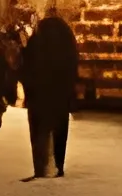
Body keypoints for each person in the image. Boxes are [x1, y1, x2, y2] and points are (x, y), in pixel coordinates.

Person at [21, 12, 80, 178]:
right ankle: (57, 165)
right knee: (60, 126)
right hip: (59, 90)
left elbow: (26, 67)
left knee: (39, 127)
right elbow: (72, 65)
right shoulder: (65, 38)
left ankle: (41, 167)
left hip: (39, 92)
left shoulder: (37, 40)